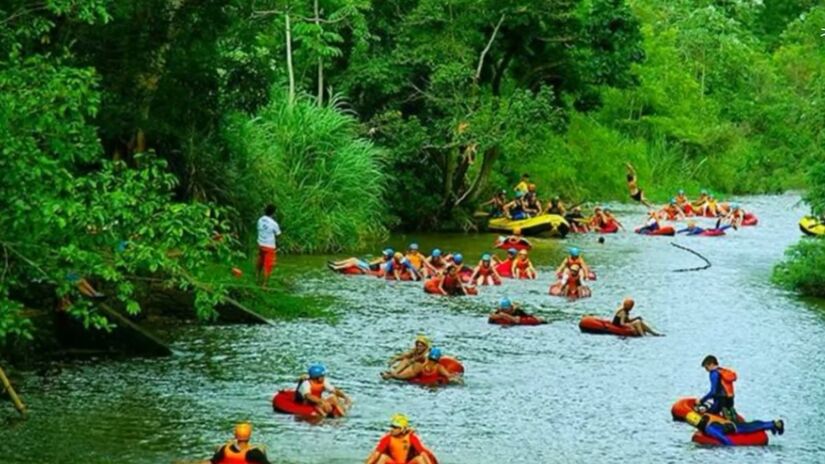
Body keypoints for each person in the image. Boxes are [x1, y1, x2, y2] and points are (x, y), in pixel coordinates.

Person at [683, 409, 784, 446]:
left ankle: (773, 424)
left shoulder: (709, 428)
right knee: (752, 425)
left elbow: (723, 438)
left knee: (751, 427)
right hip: (730, 426)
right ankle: (772, 426)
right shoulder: (707, 418)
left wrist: (732, 444)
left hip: (734, 429)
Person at [364, 414, 437, 464]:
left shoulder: (411, 437)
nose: (392, 429)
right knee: (383, 458)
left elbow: (423, 453)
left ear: (402, 429)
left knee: (420, 459)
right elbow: (376, 454)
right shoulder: (387, 438)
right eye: (392, 426)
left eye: (395, 427)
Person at [381, 347, 460, 383]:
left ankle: (391, 374)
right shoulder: (438, 367)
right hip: (430, 386)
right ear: (438, 359)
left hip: (419, 383)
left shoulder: (423, 365)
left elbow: (410, 374)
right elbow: (448, 376)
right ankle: (392, 375)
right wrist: (457, 379)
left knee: (407, 374)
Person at [696, 355, 738, 422]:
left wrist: (702, 400)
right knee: (728, 412)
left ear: (711, 364)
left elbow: (713, 392)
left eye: (706, 367)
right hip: (730, 400)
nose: (706, 370)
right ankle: (732, 417)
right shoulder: (722, 371)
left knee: (708, 412)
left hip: (720, 401)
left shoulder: (714, 374)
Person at [256, 204, 281, 288]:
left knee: (260, 262)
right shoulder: (274, 223)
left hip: (260, 244)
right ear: (273, 213)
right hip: (269, 246)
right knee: (268, 265)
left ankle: (257, 278)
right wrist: (278, 245)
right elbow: (278, 234)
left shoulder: (260, 220)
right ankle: (264, 285)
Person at [328, 249, 393, 274]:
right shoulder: (382, 259)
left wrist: (378, 261)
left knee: (353, 262)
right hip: (368, 265)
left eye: (385, 255)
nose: (384, 255)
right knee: (353, 258)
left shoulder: (384, 262)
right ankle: (336, 263)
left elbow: (372, 265)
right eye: (384, 254)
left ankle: (336, 267)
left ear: (389, 256)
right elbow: (371, 263)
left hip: (368, 268)